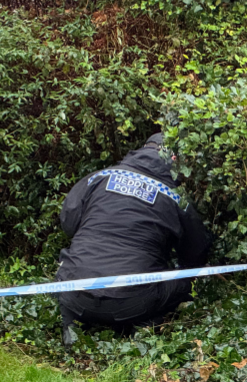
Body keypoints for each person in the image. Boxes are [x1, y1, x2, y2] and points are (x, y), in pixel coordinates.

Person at [57, 133, 212, 345]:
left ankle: (71, 323)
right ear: (175, 160)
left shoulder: (99, 177)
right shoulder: (176, 196)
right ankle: (144, 327)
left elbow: (68, 220)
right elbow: (196, 253)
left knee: (70, 265)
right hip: (132, 302)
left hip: (74, 291)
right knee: (184, 280)